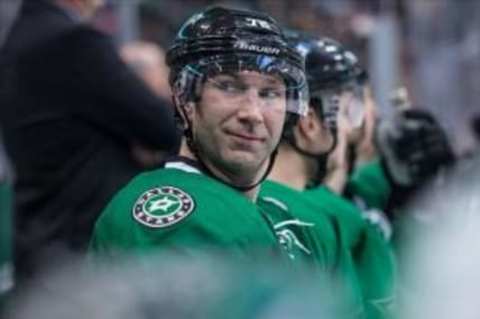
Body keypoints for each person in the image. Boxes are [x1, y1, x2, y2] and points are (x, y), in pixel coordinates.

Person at [89, 6, 310, 265]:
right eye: (229, 87)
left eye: (269, 93)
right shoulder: (183, 218)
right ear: (185, 98)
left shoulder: (254, 211)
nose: (253, 113)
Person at [0, 0, 179, 281]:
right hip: (81, 256)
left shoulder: (23, 36)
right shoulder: (73, 43)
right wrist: (154, 81)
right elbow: (164, 129)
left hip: (44, 249)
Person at [258, 33, 397, 319]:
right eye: (350, 113)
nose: (351, 131)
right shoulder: (338, 218)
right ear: (309, 123)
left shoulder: (238, 203)